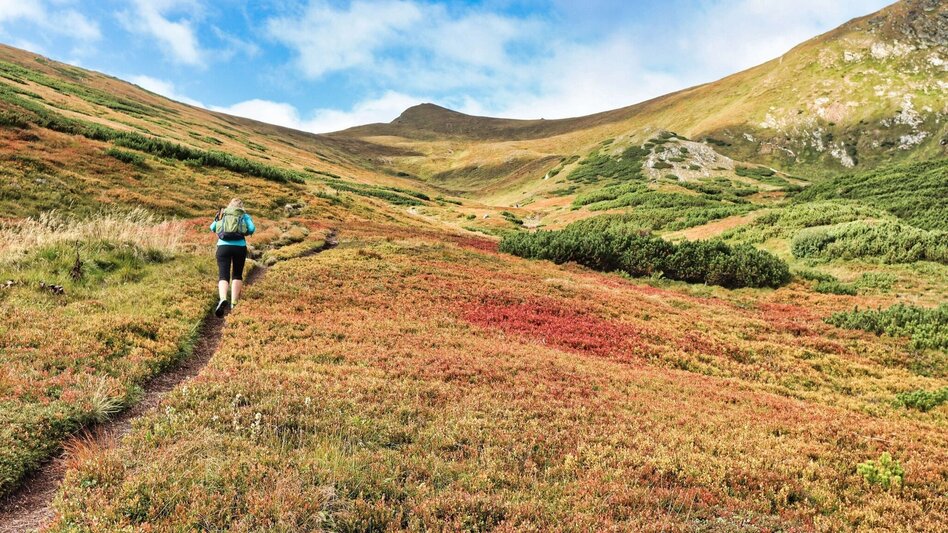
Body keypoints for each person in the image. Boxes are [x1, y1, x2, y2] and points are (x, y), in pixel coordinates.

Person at [210, 198, 255, 317]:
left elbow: (212, 227)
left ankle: (223, 298)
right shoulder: (244, 215)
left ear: (230, 205)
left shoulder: (222, 213)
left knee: (223, 275)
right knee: (237, 275)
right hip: (239, 247)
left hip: (223, 247)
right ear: (242, 206)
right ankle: (234, 303)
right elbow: (251, 229)